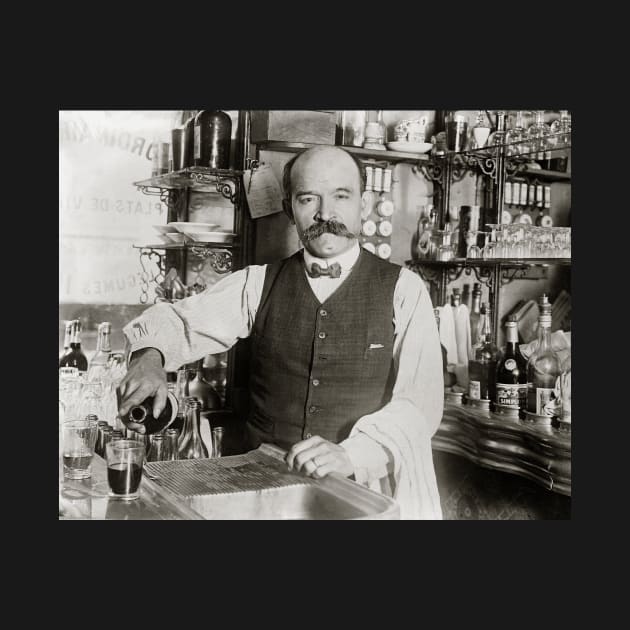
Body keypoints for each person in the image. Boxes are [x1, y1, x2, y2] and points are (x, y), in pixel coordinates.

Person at [118, 145, 444, 519]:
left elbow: (419, 406)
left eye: (341, 196)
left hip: (358, 494)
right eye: (308, 199)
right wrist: (149, 357)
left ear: (364, 204)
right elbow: (177, 321)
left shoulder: (404, 289)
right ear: (290, 208)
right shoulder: (257, 283)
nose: (326, 214)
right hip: (263, 494)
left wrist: (351, 453)